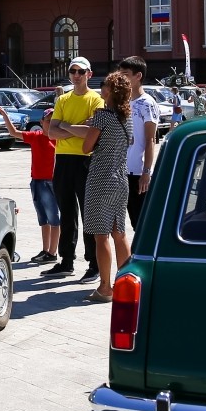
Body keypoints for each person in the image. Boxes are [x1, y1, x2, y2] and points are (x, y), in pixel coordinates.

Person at [68, 70, 132, 304]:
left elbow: (86, 147)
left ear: (110, 91)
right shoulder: (127, 117)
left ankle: (105, 288)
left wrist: (88, 126)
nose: (101, 88)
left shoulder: (102, 116)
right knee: (120, 233)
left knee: (100, 235)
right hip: (120, 179)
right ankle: (125, 283)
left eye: (104, 85)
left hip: (100, 179)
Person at [43, 56, 103, 280]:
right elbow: (52, 132)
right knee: (66, 212)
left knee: (89, 214)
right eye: (73, 71)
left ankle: (94, 264)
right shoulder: (63, 99)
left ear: (89, 74)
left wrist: (65, 127)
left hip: (86, 159)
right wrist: (75, 128)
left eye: (80, 71)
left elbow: (92, 132)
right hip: (64, 159)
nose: (76, 75)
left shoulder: (96, 99)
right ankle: (66, 261)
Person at [0, 107, 59, 263]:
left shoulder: (59, 139)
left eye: (53, 120)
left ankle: (53, 252)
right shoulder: (36, 136)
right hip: (37, 181)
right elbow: (14, 133)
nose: (50, 123)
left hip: (51, 182)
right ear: (41, 122)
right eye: (48, 120)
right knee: (43, 218)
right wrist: (5, 116)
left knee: (54, 218)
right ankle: (45, 250)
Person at [119, 57, 159, 231]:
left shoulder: (147, 103)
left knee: (141, 223)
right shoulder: (122, 101)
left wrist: (146, 172)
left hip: (138, 172)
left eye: (126, 75)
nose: (122, 78)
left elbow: (151, 140)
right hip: (120, 170)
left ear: (138, 76)